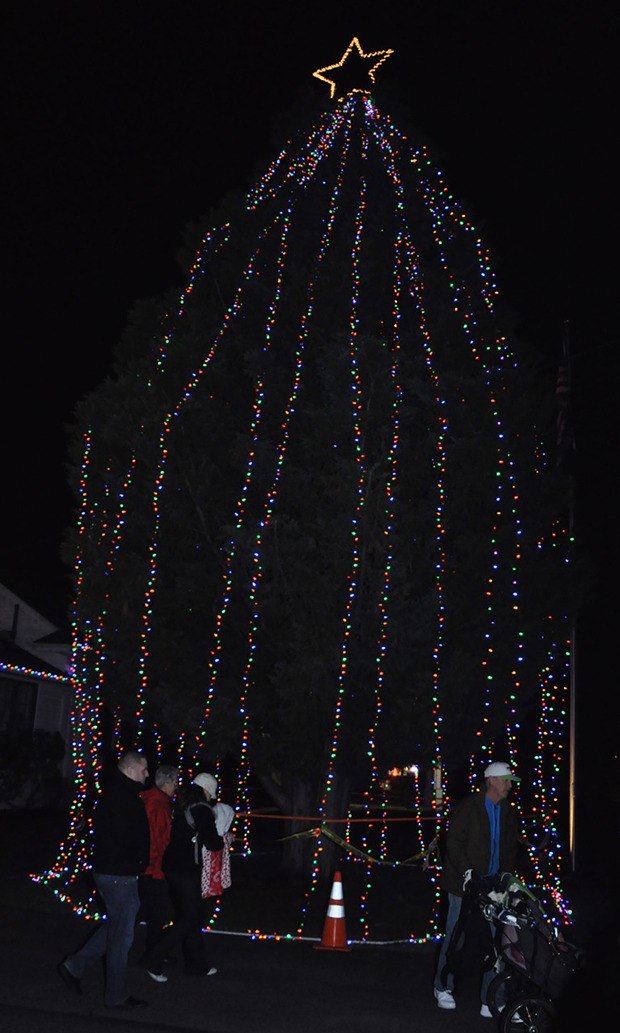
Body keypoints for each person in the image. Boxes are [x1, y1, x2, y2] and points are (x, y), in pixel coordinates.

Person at [57, 750, 150, 1010]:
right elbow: (123, 836)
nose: (147, 774)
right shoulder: (122, 796)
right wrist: (137, 863)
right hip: (118, 874)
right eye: (144, 770)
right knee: (122, 936)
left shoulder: (116, 792)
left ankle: (73, 966)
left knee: (117, 927)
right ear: (131, 769)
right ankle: (116, 995)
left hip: (114, 871)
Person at [433, 760, 520, 1019]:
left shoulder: (506, 811)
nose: (509, 786)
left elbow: (508, 848)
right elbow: (454, 842)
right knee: (456, 934)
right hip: (463, 886)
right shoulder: (468, 807)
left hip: (493, 887)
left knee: (496, 942)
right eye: (505, 780)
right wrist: (467, 871)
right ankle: (442, 987)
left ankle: (491, 998)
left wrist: (506, 879)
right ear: (491, 780)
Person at [142, 771, 223, 981]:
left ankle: (196, 964)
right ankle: (154, 958)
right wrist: (224, 839)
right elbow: (213, 843)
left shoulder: (182, 805)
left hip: (172, 865)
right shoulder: (201, 810)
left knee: (191, 916)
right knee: (191, 917)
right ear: (207, 791)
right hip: (186, 868)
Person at [139, 763, 179, 958]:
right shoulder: (158, 805)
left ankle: (156, 951)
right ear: (168, 782)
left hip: (151, 867)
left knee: (153, 913)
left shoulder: (152, 800)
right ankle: (153, 954)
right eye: (175, 782)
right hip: (154, 869)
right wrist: (160, 867)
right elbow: (158, 840)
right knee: (156, 913)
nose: (176, 787)